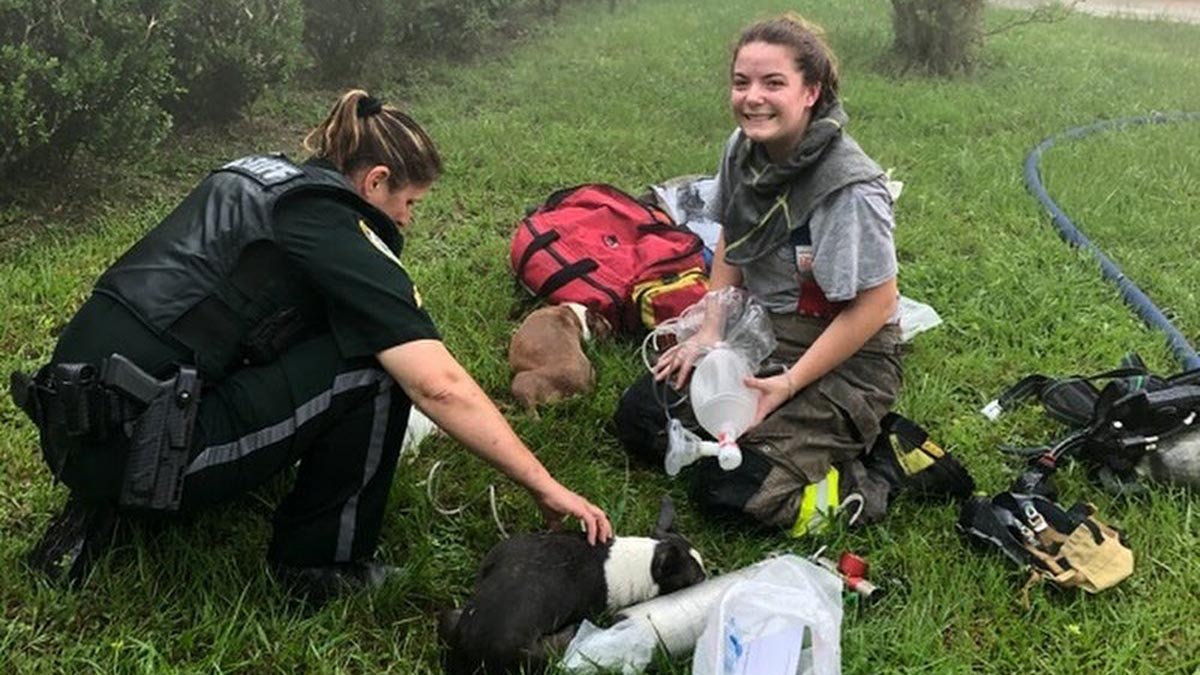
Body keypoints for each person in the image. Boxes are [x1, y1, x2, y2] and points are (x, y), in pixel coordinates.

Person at [12, 89, 612, 604]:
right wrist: (542, 483)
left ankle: (110, 493)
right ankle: (319, 566)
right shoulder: (328, 220)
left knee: (307, 336)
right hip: (141, 455)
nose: (407, 221)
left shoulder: (253, 176)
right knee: (377, 370)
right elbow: (438, 385)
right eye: (409, 203)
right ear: (375, 180)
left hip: (69, 428)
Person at [621, 15, 905, 532]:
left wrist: (789, 384)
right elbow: (734, 233)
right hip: (767, 331)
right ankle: (767, 438)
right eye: (741, 82)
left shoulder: (848, 189)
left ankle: (871, 475)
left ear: (810, 92)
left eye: (773, 83)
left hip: (848, 356)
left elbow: (877, 305)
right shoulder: (744, 150)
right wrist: (710, 332)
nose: (753, 98)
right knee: (640, 416)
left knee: (733, 494)